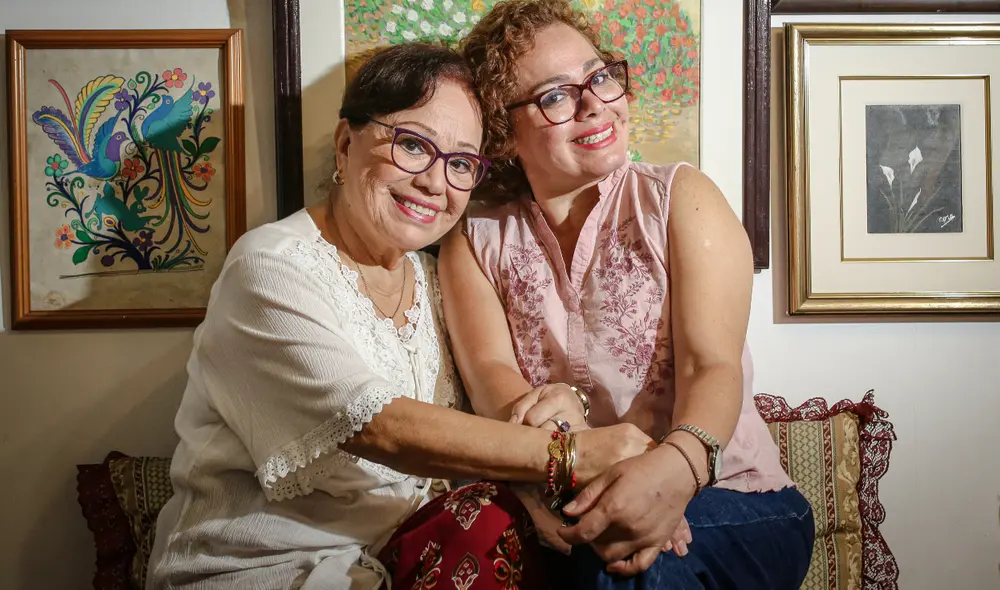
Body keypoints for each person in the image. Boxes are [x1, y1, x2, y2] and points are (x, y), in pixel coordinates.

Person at [145, 42, 652, 590]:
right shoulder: (270, 267)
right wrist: (569, 454)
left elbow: (478, 430)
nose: (436, 182)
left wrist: (552, 433)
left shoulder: (436, 282)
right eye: (413, 145)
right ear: (345, 144)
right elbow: (378, 426)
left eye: (460, 163)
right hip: (264, 572)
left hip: (401, 562)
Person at [438, 0, 816, 587]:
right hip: (574, 497)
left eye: (600, 76)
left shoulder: (681, 200)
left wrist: (670, 473)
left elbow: (710, 365)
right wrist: (595, 477)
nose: (595, 104)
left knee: (618, 555)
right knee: (606, 543)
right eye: (556, 96)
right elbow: (499, 394)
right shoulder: (475, 242)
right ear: (503, 134)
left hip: (738, 500)